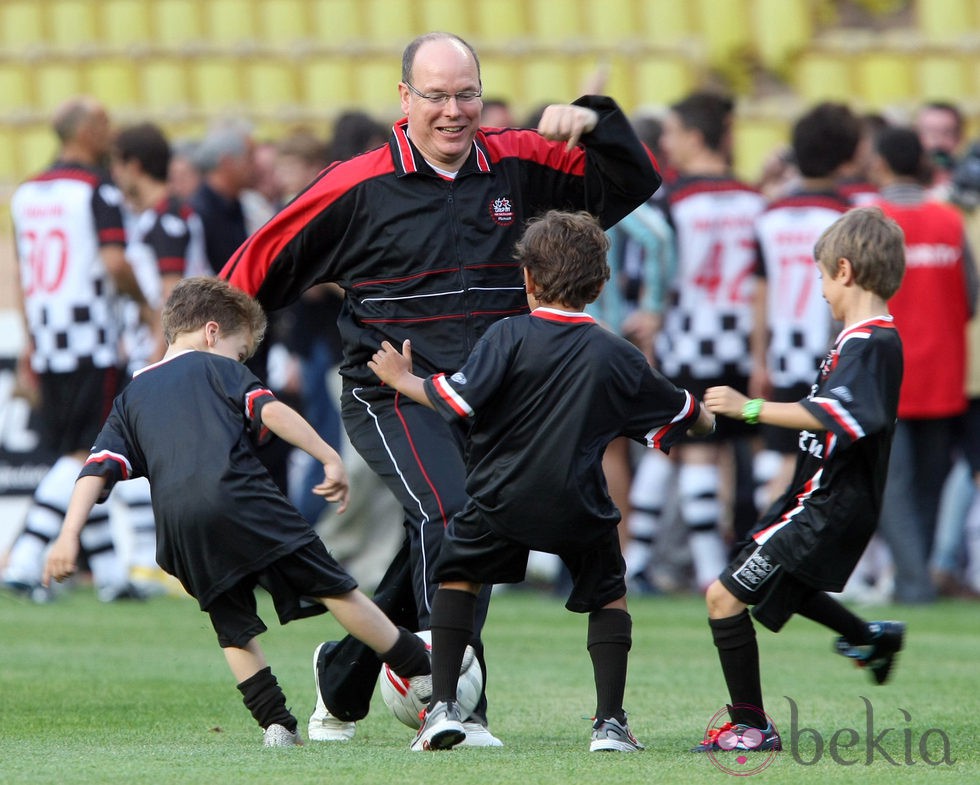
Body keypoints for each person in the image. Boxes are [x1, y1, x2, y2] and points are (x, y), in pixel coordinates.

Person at [221, 31, 661, 746]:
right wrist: (214, 370)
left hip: (490, 400)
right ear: (404, 99)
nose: (453, 111)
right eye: (436, 96)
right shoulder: (354, 184)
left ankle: (343, 673)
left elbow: (632, 183)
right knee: (457, 515)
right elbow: (252, 267)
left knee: (448, 527)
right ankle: (451, 705)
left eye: (466, 95)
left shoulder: (520, 161)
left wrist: (597, 119)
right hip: (389, 390)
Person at [368, 210, 714, 751]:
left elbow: (454, 400)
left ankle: (442, 710)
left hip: (499, 496)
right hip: (577, 502)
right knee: (610, 596)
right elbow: (685, 413)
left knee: (458, 579)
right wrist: (707, 415)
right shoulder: (616, 353)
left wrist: (401, 378)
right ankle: (610, 724)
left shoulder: (507, 335)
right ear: (601, 285)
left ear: (527, 280)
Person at [40, 276, 434, 747]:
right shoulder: (215, 367)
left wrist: (67, 537)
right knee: (337, 591)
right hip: (245, 499)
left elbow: (95, 469)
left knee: (233, 628)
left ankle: (276, 725)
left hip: (181, 529)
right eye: (241, 352)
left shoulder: (131, 396)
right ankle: (423, 670)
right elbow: (270, 411)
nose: (241, 361)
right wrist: (329, 456)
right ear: (211, 333)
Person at [692, 206, 907, 753]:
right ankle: (870, 637)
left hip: (827, 505)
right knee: (775, 590)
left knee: (723, 597)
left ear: (843, 270)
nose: (818, 291)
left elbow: (844, 415)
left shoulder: (871, 344)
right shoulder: (859, 340)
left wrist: (752, 408)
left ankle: (751, 727)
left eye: (818, 278)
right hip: (812, 498)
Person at [3, 96, 149, 602]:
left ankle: (110, 576)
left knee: (81, 452)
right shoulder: (95, 188)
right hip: (92, 339)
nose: (112, 132)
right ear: (83, 132)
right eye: (104, 123)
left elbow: (24, 274)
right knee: (85, 452)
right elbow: (113, 263)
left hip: (47, 338)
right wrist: (149, 308)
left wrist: (27, 339)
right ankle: (24, 559)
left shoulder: (27, 193)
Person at [655, 90, 767, 589]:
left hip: (688, 341)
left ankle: (707, 572)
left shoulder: (673, 200)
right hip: (747, 343)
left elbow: (658, 278)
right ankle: (756, 560)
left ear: (695, 137)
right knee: (759, 450)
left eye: (673, 133)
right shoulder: (754, 199)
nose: (666, 143)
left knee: (697, 451)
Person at [870, 126, 977, 604]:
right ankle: (917, 578)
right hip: (943, 370)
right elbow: (971, 298)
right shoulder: (949, 222)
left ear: (883, 164)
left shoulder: (870, 223)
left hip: (886, 371)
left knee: (892, 484)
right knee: (931, 484)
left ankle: (912, 582)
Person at [108, 121, 209, 594]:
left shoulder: (169, 218)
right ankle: (154, 565)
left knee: (147, 457)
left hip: (170, 354)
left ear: (132, 164)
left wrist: (154, 359)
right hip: (156, 350)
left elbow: (172, 296)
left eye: (116, 164)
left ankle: (156, 567)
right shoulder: (154, 217)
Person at [750, 102, 859, 509]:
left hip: (783, 355)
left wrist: (758, 358)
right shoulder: (847, 217)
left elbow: (760, 293)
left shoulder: (770, 215)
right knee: (834, 459)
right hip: (833, 354)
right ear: (848, 155)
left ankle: (758, 550)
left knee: (779, 454)